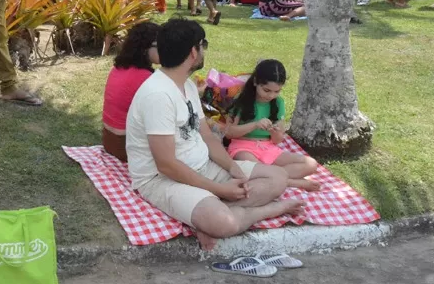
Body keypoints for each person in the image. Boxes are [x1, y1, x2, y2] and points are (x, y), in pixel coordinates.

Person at [125, 19, 301, 251]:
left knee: (277, 178)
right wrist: (219, 189)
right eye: (203, 45)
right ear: (193, 52)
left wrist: (231, 167)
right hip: (162, 180)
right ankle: (265, 210)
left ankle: (208, 211)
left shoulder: (185, 85)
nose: (203, 51)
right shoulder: (157, 95)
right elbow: (166, 165)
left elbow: (207, 136)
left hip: (202, 166)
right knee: (222, 222)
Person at [224, 60, 320, 192]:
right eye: (266, 90)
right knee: (254, 169)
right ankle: (293, 182)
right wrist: (254, 125)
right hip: (243, 147)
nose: (271, 96)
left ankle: (272, 175)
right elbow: (229, 132)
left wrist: (276, 132)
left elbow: (277, 141)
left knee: (311, 164)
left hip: (267, 147)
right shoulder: (242, 101)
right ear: (255, 82)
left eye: (276, 91)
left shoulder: (278, 103)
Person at [101, 22, 160, 161]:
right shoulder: (146, 78)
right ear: (145, 48)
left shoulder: (118, 68)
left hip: (108, 141)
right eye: (160, 45)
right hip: (127, 148)